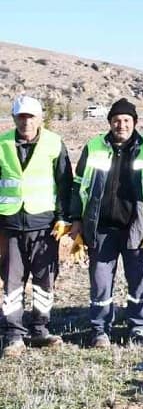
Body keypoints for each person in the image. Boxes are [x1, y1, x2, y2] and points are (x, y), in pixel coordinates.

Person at [68, 98, 143, 347]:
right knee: (100, 282)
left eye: (127, 120)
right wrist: (76, 220)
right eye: (117, 120)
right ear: (109, 122)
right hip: (101, 228)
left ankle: (138, 328)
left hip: (137, 228)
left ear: (135, 123)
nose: (121, 125)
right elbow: (78, 185)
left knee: (139, 278)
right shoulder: (94, 146)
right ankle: (100, 329)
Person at [1, 95, 74, 357]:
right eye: (21, 117)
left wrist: (64, 217)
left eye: (30, 117)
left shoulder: (54, 143)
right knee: (11, 280)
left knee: (45, 279)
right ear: (14, 119)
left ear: (39, 118)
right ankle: (13, 334)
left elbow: (65, 183)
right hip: (10, 224)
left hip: (44, 225)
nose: (26, 122)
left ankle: (40, 329)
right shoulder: (2, 144)